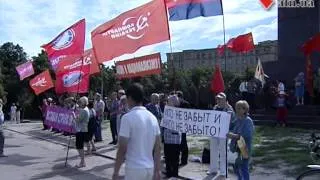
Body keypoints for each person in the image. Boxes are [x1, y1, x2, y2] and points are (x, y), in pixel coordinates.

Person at [112, 83, 161, 180]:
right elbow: (158, 147)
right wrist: (157, 170)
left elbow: (122, 148)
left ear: (129, 98)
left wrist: (116, 172)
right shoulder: (152, 118)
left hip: (134, 169)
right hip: (149, 167)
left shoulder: (127, 118)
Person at [208, 92, 234, 178]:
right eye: (217, 99)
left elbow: (231, 121)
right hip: (214, 133)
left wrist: (228, 110)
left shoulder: (229, 109)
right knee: (213, 150)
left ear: (225, 100)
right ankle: (213, 169)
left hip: (224, 134)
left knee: (223, 152)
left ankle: (223, 171)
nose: (218, 100)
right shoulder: (215, 108)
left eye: (220, 99)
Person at [227, 100, 254, 180]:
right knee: (235, 167)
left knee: (244, 168)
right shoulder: (237, 120)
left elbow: (246, 135)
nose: (237, 110)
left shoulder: (248, 121)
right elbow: (230, 127)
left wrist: (233, 136)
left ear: (245, 109)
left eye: (239, 108)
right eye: (236, 108)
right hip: (235, 149)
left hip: (244, 148)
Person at [163, 95, 181, 178]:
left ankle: (174, 174)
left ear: (173, 102)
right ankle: (169, 174)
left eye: (168, 101)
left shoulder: (179, 112)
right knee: (167, 159)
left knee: (175, 160)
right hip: (167, 139)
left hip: (175, 140)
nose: (167, 102)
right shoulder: (166, 111)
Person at [74, 96, 90, 168]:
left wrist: (74, 116)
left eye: (80, 102)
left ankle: (82, 161)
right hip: (82, 129)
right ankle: (82, 161)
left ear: (83, 103)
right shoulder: (85, 109)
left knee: (79, 146)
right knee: (80, 146)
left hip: (81, 130)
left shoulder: (84, 110)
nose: (79, 103)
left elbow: (78, 120)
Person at [176, 90, 190, 166]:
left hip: (183, 126)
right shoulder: (176, 104)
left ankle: (184, 160)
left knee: (183, 142)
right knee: (178, 143)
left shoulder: (185, 104)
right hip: (177, 125)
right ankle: (179, 159)